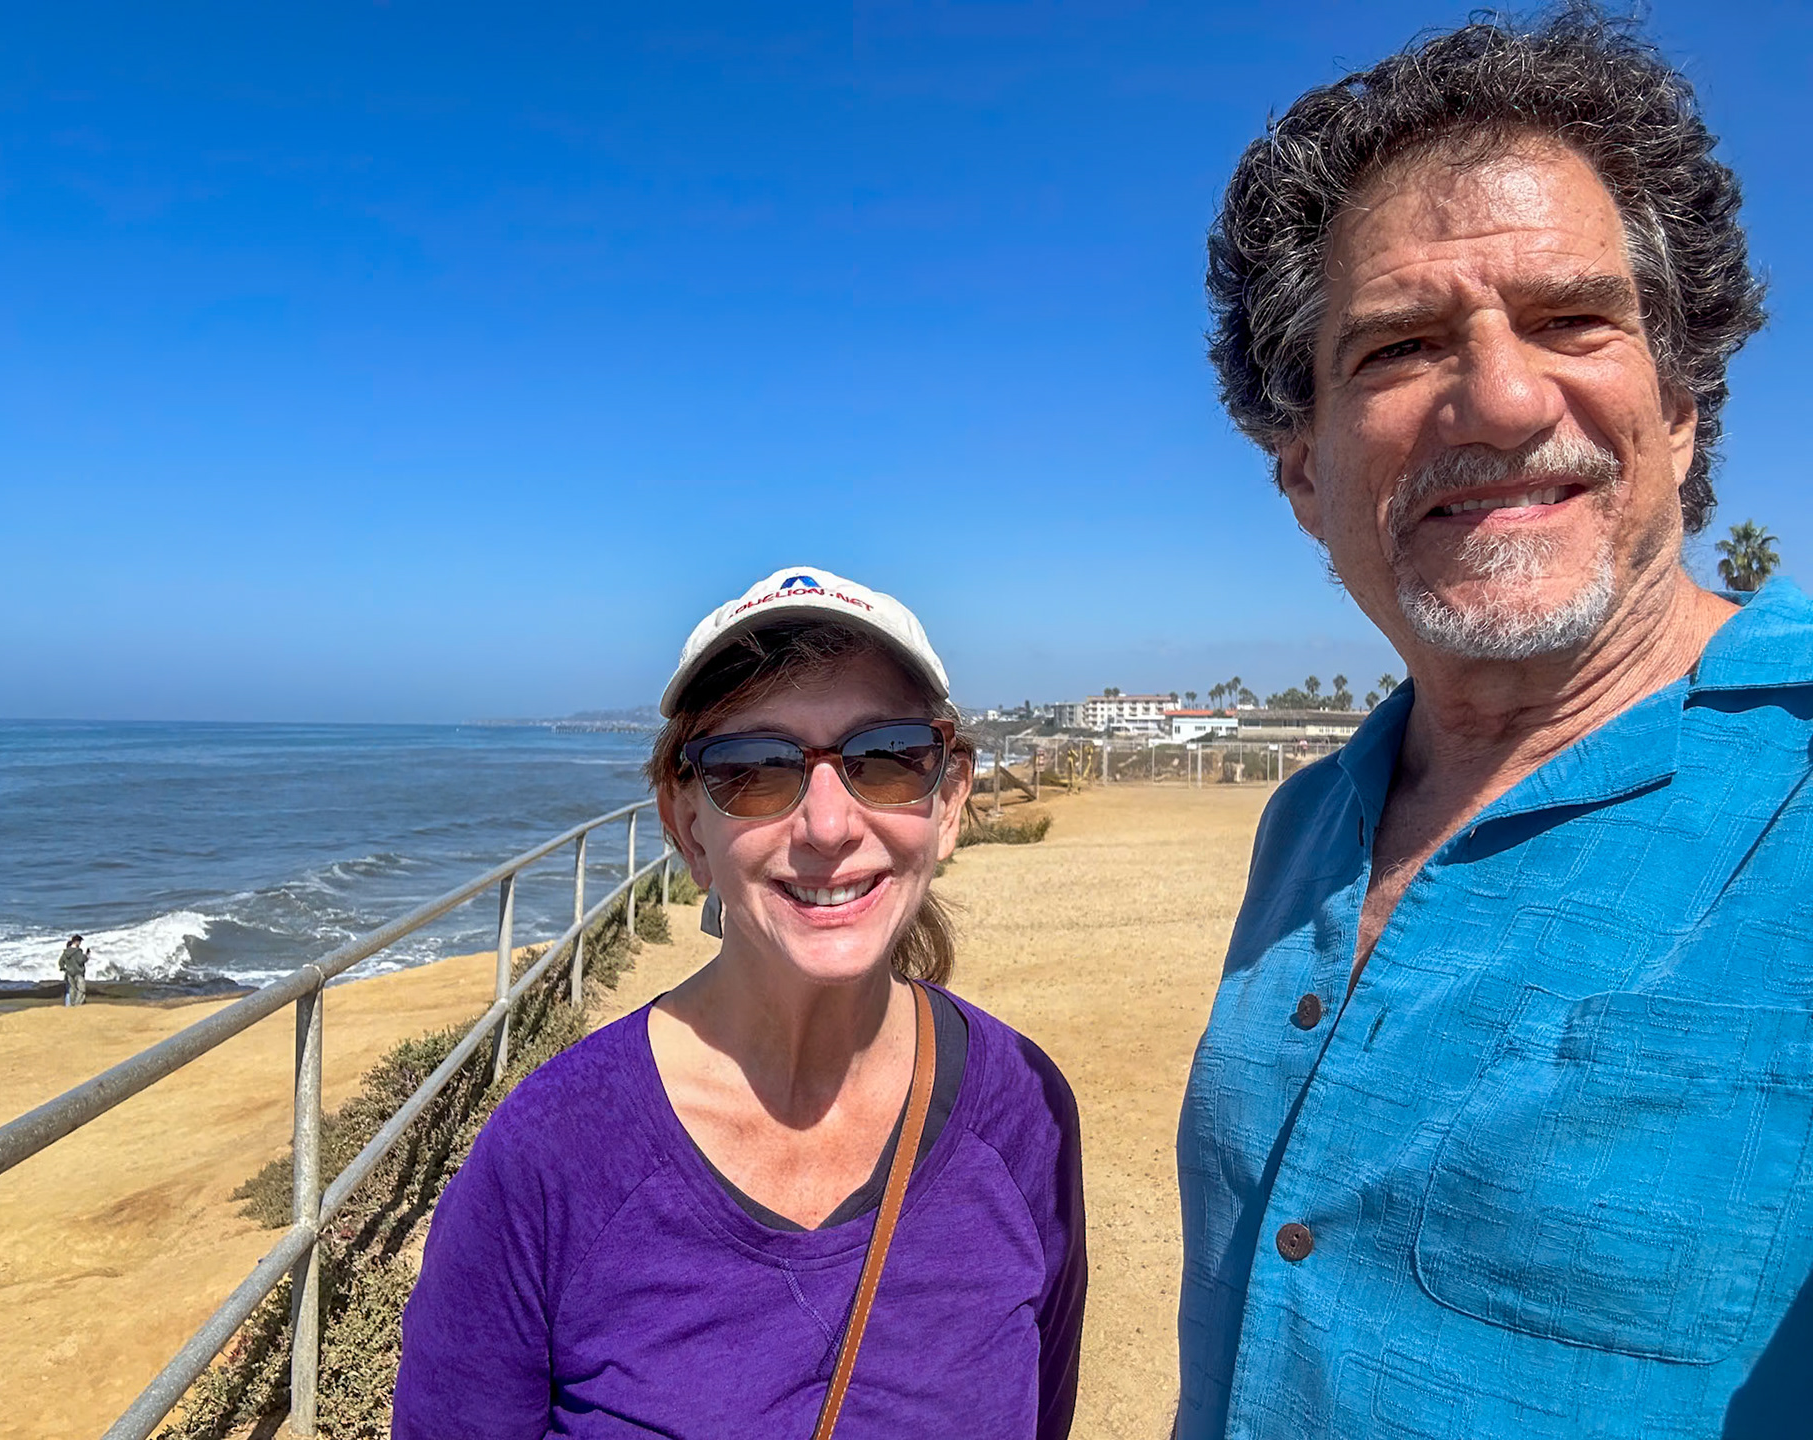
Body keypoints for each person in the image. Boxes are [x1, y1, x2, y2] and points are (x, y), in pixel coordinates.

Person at [1176, 8, 1806, 1438]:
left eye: (1573, 319)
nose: (1505, 397)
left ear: (1685, 406)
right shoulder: (1306, 828)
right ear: (1303, 477)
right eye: (1399, 348)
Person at [395, 566, 1086, 1438]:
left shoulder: (1023, 1110)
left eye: (884, 759)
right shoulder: (548, 1160)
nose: (829, 827)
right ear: (687, 826)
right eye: (755, 770)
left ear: (948, 801)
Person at [57, 934, 89, 1007]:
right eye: (80, 941)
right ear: (76, 942)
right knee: (81, 989)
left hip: (69, 973)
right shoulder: (78, 951)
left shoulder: (66, 952)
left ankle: (72, 1004)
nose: (80, 943)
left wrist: (64, 969)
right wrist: (86, 956)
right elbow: (81, 960)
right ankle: (77, 1004)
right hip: (79, 972)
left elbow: (60, 962)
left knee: (72, 989)